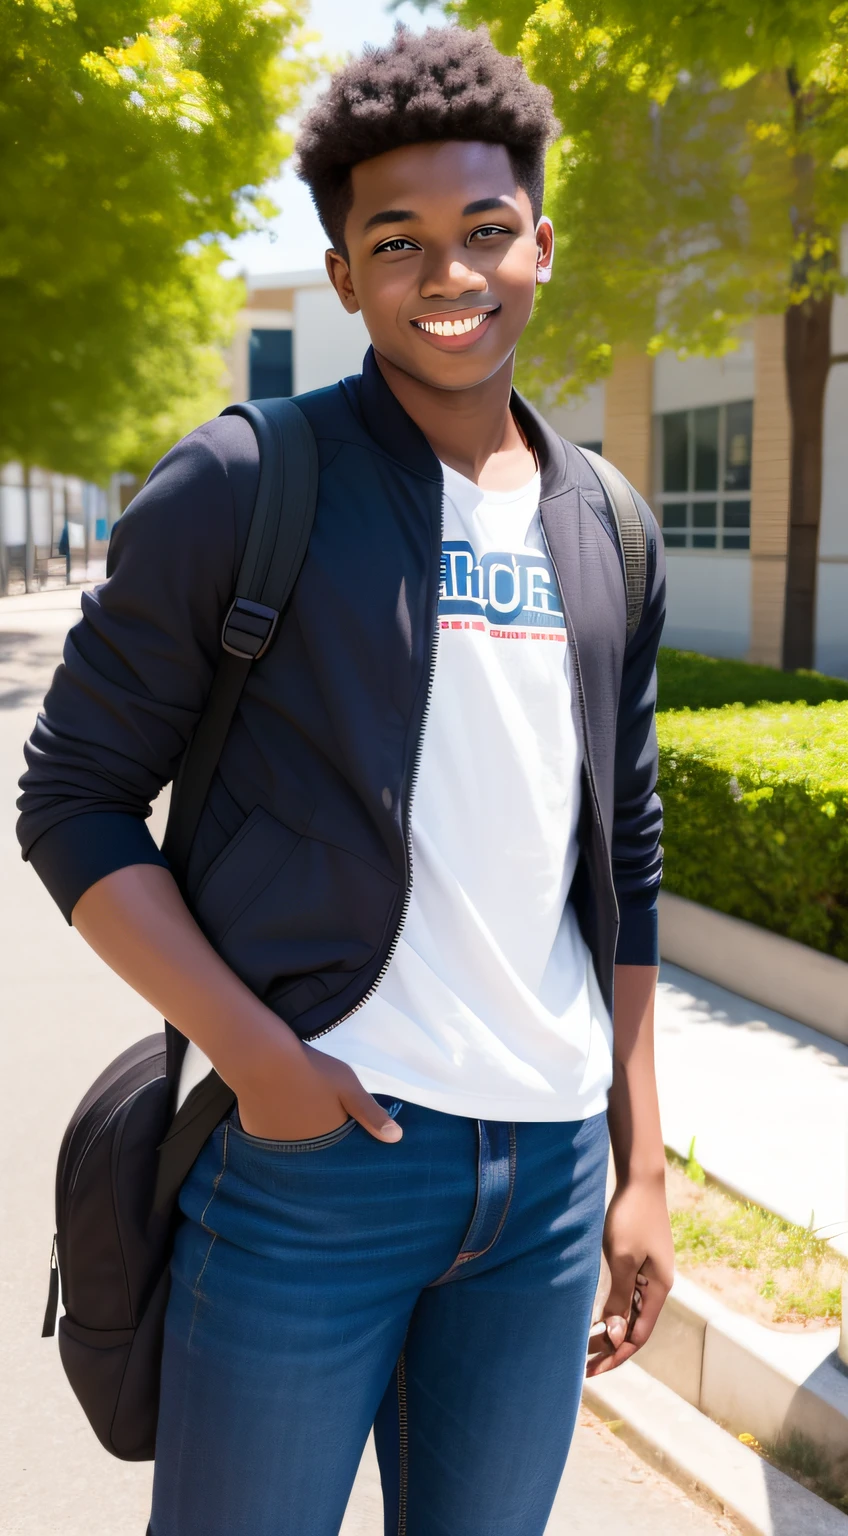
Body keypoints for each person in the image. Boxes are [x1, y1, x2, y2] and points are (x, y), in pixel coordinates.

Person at [17, 25, 674, 1536]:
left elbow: (626, 858)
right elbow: (72, 803)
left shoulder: (611, 528)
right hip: (316, 1163)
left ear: (541, 242)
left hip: (551, 1186)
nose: (451, 274)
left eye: (485, 232)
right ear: (342, 276)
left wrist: (639, 1162)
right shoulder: (251, 483)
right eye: (401, 242)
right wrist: (255, 1058)